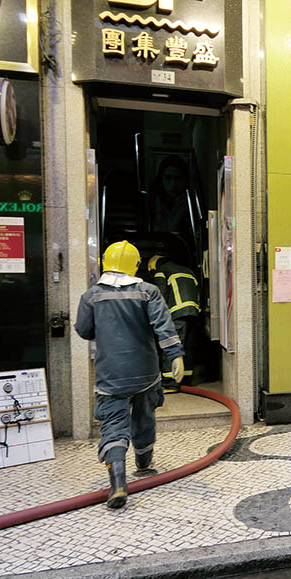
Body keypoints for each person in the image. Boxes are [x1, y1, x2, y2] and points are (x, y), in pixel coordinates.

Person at [74, 241, 185, 509]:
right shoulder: (149, 292)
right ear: (134, 265)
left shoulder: (91, 297)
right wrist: (176, 356)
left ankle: (118, 484)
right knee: (144, 418)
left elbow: (83, 330)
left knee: (113, 424)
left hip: (110, 375)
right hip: (146, 372)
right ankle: (144, 462)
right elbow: (163, 326)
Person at [147, 255, 200, 392]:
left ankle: (170, 383)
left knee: (171, 345)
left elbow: (160, 295)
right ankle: (186, 380)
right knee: (188, 346)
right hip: (194, 312)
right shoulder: (188, 271)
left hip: (176, 313)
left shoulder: (161, 270)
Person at [151, 155, 191, 235]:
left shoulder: (190, 203)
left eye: (178, 178)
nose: (173, 184)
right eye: (168, 178)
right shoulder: (153, 202)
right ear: (161, 179)